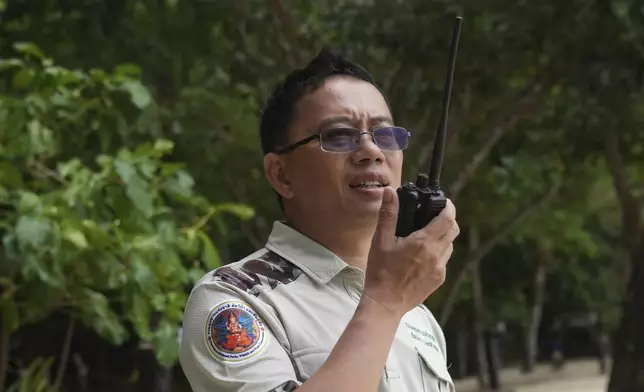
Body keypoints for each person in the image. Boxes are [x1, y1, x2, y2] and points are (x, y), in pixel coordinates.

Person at [179, 48, 460, 392]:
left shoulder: (416, 315)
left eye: (384, 135)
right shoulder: (236, 300)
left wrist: (392, 300)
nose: (371, 151)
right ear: (281, 174)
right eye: (339, 135)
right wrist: (385, 302)